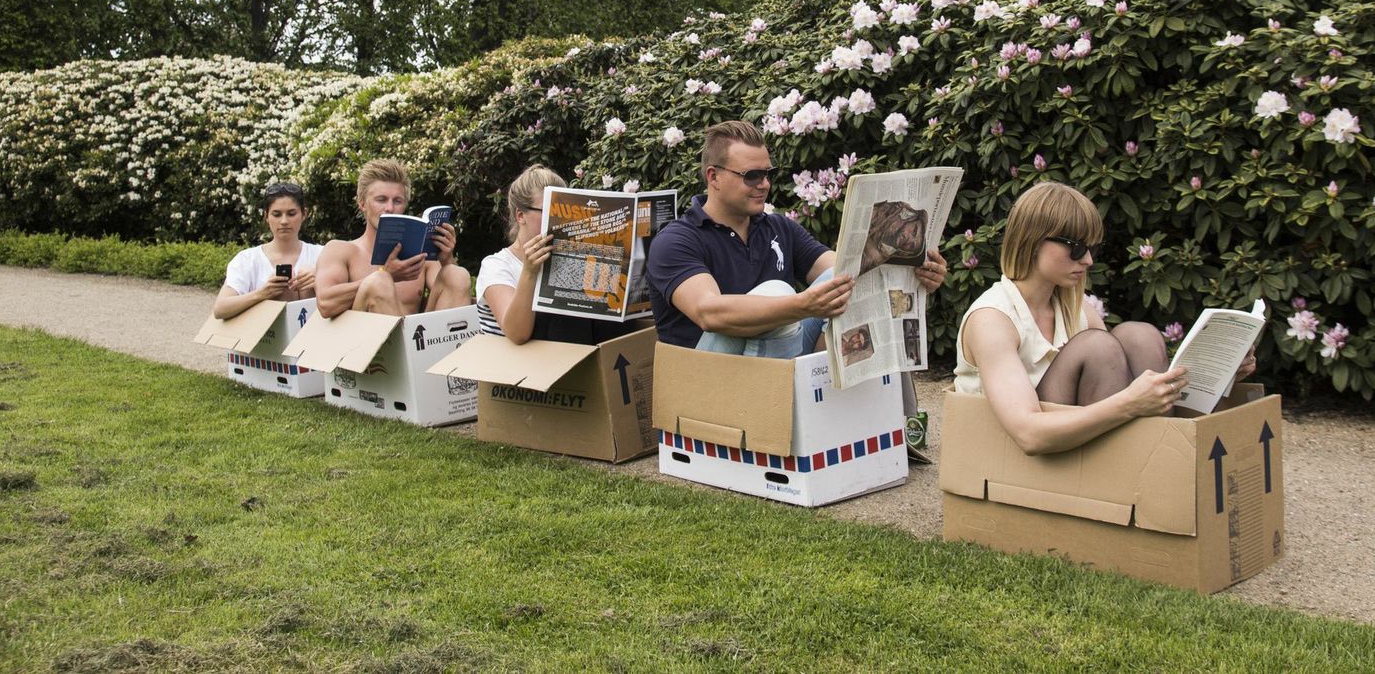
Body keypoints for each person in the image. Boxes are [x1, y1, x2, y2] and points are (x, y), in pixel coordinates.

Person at [954, 181, 1255, 454]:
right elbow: (1028, 435)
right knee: (1099, 347)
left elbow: (1120, 379)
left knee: (1139, 337)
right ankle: (1148, 472)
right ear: (1033, 242)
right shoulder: (992, 320)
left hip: (1071, 451)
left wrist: (1219, 373)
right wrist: (1131, 403)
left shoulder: (1076, 309)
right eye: (1077, 248)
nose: (1088, 260)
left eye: (1093, 248)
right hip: (1012, 458)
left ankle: (1165, 465)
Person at [646, 120, 947, 357]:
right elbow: (709, 313)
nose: (764, 184)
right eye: (751, 175)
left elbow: (842, 270)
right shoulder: (676, 240)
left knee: (841, 277)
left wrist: (914, 274)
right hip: (713, 381)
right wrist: (802, 305)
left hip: (781, 355)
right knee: (778, 292)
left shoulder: (777, 227)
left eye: (767, 174)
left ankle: (832, 395)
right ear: (713, 177)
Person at [475, 164, 624, 346]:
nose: (560, 221)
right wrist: (529, 272)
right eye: (550, 211)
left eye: (564, 212)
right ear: (521, 215)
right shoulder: (496, 265)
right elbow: (517, 334)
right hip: (517, 367)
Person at [315, 158, 471, 319]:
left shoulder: (420, 255)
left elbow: (451, 290)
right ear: (362, 204)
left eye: (397, 201)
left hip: (419, 339)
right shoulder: (340, 250)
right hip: (368, 341)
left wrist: (447, 259)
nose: (389, 208)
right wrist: (387, 274)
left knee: (456, 274)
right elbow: (325, 304)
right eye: (381, 200)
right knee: (378, 281)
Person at [212, 181, 323, 319]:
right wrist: (262, 293)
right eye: (276, 214)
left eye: (291, 213)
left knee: (307, 275)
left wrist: (321, 280)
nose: (284, 221)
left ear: (304, 214)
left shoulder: (322, 255)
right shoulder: (247, 259)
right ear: (266, 216)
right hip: (267, 336)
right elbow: (220, 309)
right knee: (282, 290)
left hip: (312, 335)